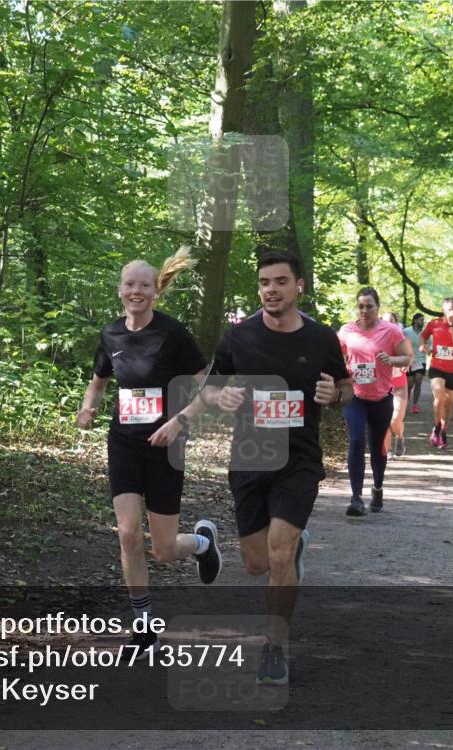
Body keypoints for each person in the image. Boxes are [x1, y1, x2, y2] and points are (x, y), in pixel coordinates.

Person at [196, 251, 351, 685]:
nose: (271, 290)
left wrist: (335, 395)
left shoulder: (321, 338)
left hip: (298, 459)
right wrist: (220, 397)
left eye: (281, 281)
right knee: (256, 564)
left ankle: (274, 648)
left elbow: (346, 387)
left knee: (280, 551)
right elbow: (207, 390)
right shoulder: (238, 336)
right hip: (249, 458)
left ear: (299, 286)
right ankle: (289, 551)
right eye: (264, 282)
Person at [77, 249, 222, 655]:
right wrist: (87, 407)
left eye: (144, 285)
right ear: (120, 290)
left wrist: (179, 422)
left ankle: (202, 543)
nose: (136, 291)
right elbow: (98, 382)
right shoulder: (110, 335)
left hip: (166, 446)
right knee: (127, 535)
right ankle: (144, 630)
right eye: (130, 284)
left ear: (155, 292)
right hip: (123, 442)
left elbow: (209, 385)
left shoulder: (172, 333)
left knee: (163, 550)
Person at [338, 295, 412, 516]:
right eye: (361, 306)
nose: (364, 310)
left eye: (369, 306)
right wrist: (341, 374)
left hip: (381, 398)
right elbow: (335, 357)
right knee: (356, 441)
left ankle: (377, 488)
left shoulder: (391, 331)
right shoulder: (347, 331)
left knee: (378, 446)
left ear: (377, 307)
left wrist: (391, 359)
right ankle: (356, 498)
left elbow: (407, 358)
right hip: (355, 397)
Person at [421, 298, 453, 448]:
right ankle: (437, 427)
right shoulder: (434, 323)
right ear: (443, 310)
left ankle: (444, 431)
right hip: (437, 367)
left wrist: (452, 326)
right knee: (439, 397)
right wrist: (424, 346)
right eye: (449, 309)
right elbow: (423, 336)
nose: (452, 312)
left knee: (448, 404)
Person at [380, 311, 411, 459]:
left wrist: (407, 363)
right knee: (384, 420)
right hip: (382, 386)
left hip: (399, 385)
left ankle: (400, 437)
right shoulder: (375, 340)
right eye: (385, 321)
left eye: (391, 321)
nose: (388, 324)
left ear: (396, 323)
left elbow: (410, 355)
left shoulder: (403, 339)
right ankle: (388, 450)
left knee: (395, 419)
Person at [404, 313, 426, 414]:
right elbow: (401, 344)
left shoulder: (425, 333)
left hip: (421, 360)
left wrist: (427, 348)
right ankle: (405, 403)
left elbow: (430, 345)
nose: (423, 322)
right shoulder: (406, 331)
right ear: (415, 320)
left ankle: (415, 405)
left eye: (423, 320)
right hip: (409, 360)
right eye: (421, 320)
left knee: (418, 380)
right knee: (409, 384)